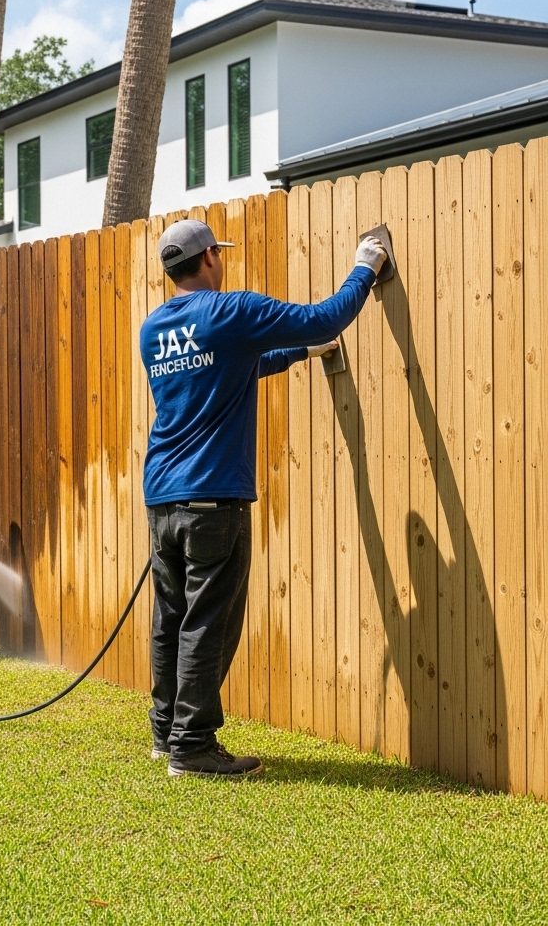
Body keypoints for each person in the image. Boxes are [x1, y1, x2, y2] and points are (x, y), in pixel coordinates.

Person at [139, 219, 387, 778]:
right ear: (207, 259)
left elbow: (233, 368)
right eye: (217, 255)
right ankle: (193, 747)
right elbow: (323, 315)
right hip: (213, 500)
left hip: (163, 500)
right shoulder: (229, 311)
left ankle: (165, 731)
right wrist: (365, 266)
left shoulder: (154, 329)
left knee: (171, 617)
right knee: (209, 621)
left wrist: (301, 352)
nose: (220, 263)